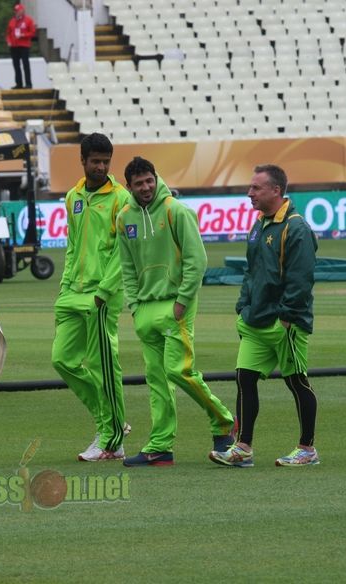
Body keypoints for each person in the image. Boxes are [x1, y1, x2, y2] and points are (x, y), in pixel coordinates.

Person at [116, 157, 236, 467]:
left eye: (149, 180)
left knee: (178, 371)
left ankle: (223, 422)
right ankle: (160, 446)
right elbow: (127, 265)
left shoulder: (175, 211)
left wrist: (182, 300)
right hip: (145, 309)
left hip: (176, 305)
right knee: (156, 379)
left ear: (156, 178)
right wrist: (134, 305)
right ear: (128, 186)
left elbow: (197, 260)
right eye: (139, 183)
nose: (146, 187)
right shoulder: (125, 217)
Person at [209, 164, 320, 468]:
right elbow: (252, 270)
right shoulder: (260, 224)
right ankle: (243, 447)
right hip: (255, 320)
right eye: (251, 187)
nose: (249, 193)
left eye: (256, 188)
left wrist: (286, 318)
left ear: (276, 190)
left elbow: (301, 279)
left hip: (285, 324)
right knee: (244, 379)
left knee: (297, 382)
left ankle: (307, 449)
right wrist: (243, 307)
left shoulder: (296, 228)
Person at [52, 133, 132, 462]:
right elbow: (73, 246)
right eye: (95, 161)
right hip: (73, 293)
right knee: (62, 360)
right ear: (82, 161)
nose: (100, 167)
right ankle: (112, 423)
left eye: (105, 162)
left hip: (102, 295)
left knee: (102, 367)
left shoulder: (121, 198)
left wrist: (103, 292)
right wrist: (65, 285)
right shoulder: (73, 197)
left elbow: (122, 252)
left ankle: (111, 438)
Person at [6, 3, 36, 89]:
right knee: (16, 65)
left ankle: (28, 84)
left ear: (22, 11)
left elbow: (32, 33)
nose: (17, 12)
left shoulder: (28, 20)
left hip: (24, 45)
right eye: (16, 11)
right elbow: (8, 33)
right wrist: (8, 41)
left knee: (25, 65)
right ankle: (19, 84)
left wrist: (23, 35)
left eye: (18, 11)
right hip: (14, 46)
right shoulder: (12, 21)